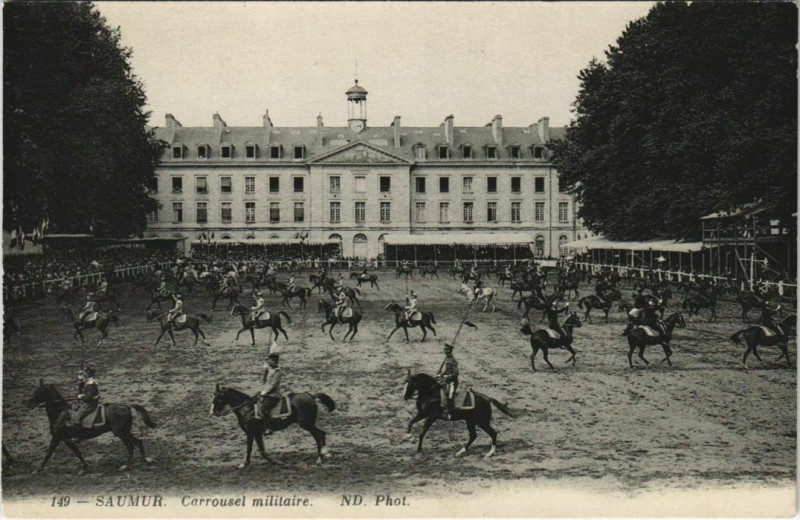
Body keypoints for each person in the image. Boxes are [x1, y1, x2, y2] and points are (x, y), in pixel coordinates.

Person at [256, 350, 282, 422]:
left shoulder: (277, 371)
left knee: (263, 408)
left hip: (273, 394)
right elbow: (263, 380)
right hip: (266, 392)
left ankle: (267, 426)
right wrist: (264, 370)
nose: (268, 361)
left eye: (269, 360)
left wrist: (264, 392)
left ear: (274, 361)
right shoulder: (269, 369)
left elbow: (273, 384)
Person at [436, 343, 459, 420]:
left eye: (447, 349)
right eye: (444, 349)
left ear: (450, 350)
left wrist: (448, 376)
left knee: (449, 394)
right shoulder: (447, 358)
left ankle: (449, 411)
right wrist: (441, 374)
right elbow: (447, 370)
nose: (445, 351)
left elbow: (456, 373)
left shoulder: (452, 360)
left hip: (452, 382)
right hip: (446, 380)